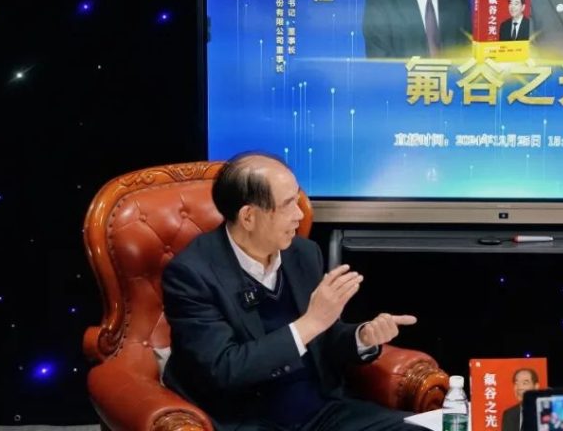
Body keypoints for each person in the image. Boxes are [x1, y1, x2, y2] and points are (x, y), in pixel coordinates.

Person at [162, 151, 422, 431]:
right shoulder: (192, 274)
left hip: (321, 412)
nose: (300, 215)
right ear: (248, 217)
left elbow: (325, 338)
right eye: (288, 205)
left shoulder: (303, 253)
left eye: (297, 200)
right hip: (248, 418)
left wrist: (362, 337)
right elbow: (225, 368)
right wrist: (310, 322)